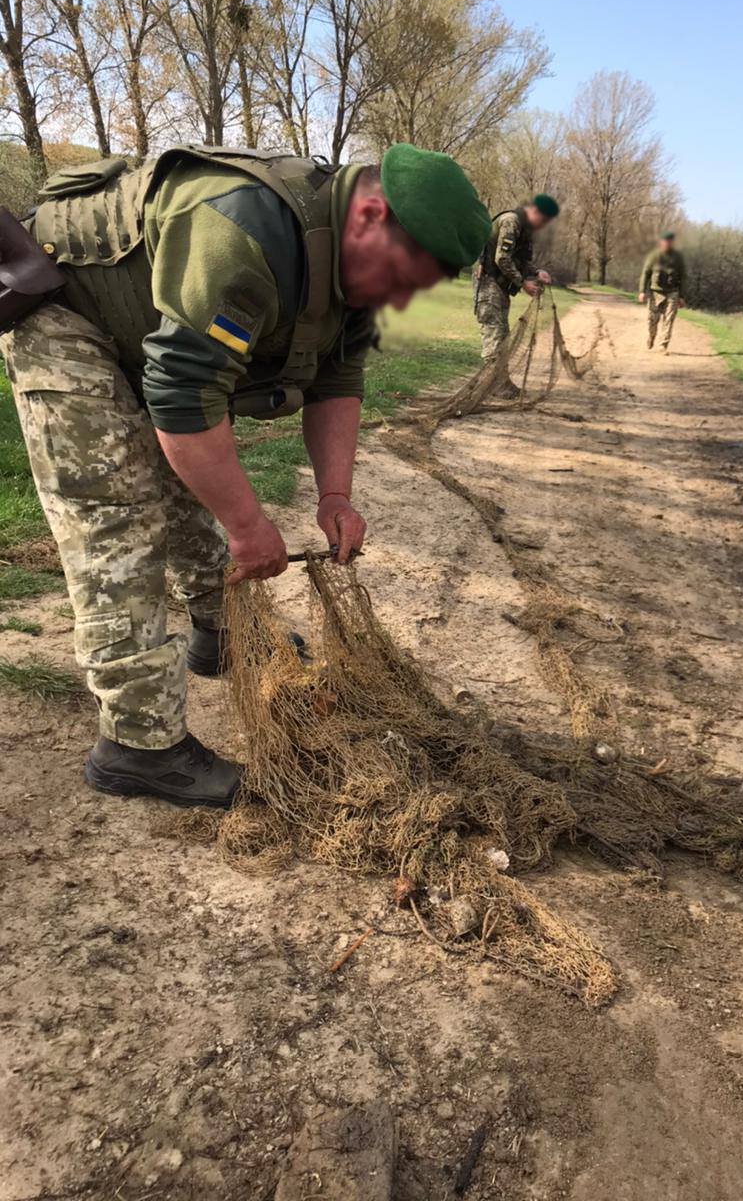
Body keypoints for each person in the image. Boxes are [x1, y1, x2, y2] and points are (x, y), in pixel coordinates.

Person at [0, 142, 490, 809]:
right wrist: (247, 525)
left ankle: (218, 630)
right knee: (115, 519)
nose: (402, 297)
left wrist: (336, 494)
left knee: (184, 487)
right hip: (66, 318)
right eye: (407, 275)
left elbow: (337, 378)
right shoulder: (245, 230)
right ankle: (138, 746)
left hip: (148, 333)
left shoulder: (349, 264)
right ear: (372, 212)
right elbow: (182, 398)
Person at [474, 193, 559, 393]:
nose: (543, 226)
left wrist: (537, 272)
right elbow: (502, 258)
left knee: (502, 337)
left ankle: (500, 384)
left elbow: (521, 260)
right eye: (543, 220)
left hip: (499, 287)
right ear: (535, 212)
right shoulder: (511, 222)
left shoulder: (524, 229)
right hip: (489, 284)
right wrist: (523, 284)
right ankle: (493, 385)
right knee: (494, 335)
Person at [638, 230, 686, 353]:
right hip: (655, 292)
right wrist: (642, 291)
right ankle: (651, 336)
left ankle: (663, 345)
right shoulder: (654, 256)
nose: (667, 244)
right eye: (665, 241)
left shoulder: (678, 258)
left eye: (670, 242)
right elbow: (646, 273)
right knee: (652, 319)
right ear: (661, 242)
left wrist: (682, 296)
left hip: (672, 292)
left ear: (672, 242)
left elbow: (683, 277)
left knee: (669, 319)